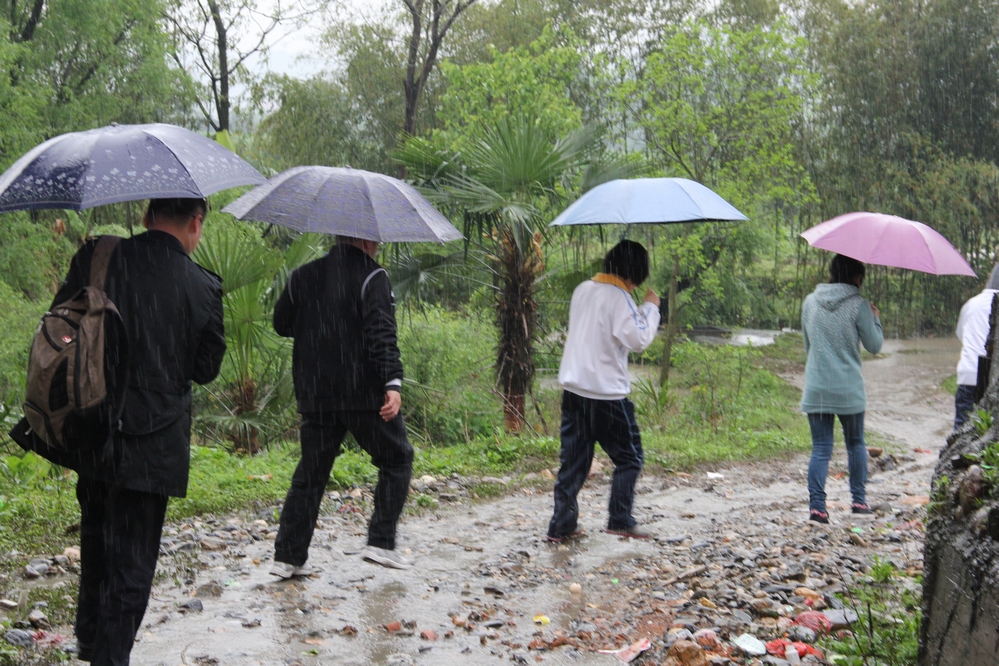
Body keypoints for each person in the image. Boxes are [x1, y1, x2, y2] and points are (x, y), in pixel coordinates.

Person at [13, 198, 226, 665]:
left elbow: (61, 323)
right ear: (195, 223)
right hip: (155, 443)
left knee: (98, 540)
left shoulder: (98, 257)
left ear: (149, 216)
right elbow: (205, 368)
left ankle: (89, 641)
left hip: (95, 428)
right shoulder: (203, 286)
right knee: (132, 567)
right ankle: (106, 657)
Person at [270, 235, 414, 574]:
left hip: (316, 391)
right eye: (376, 236)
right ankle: (380, 542)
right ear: (365, 238)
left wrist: (320, 329)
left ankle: (287, 557)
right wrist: (391, 382)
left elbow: (281, 323)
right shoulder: (372, 276)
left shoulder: (303, 275)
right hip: (363, 393)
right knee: (397, 457)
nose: (379, 241)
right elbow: (381, 332)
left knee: (311, 473)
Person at [546, 240, 661, 543]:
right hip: (606, 394)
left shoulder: (583, 289)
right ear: (635, 273)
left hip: (574, 389)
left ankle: (561, 525)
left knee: (574, 462)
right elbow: (637, 339)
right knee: (629, 458)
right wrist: (650, 307)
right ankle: (620, 519)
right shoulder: (620, 297)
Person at [800, 254, 883, 524]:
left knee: (821, 448)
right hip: (848, 388)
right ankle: (858, 502)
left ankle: (817, 508)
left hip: (817, 387)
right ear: (857, 278)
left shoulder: (810, 302)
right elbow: (874, 346)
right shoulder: (859, 306)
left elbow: (808, 346)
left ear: (832, 273)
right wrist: (875, 319)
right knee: (856, 444)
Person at [953, 264, 999, 430]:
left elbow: (961, 334)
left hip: (968, 374)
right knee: (989, 427)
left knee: (961, 428)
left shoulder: (971, 304)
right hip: (992, 378)